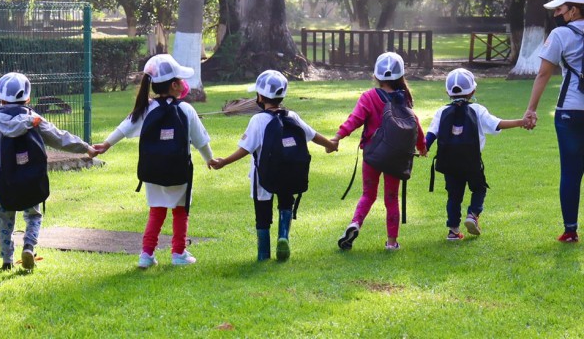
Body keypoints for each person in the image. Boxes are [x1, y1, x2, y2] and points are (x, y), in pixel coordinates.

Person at [93, 54, 213, 268]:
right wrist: (210, 160)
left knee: (156, 212)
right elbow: (201, 140)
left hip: (153, 172)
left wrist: (106, 144)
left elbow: (125, 127)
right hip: (179, 172)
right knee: (180, 212)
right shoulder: (186, 110)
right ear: (176, 86)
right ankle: (178, 253)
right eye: (181, 80)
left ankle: (146, 254)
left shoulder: (146, 108)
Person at [0, 72, 98, 271]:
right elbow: (59, 138)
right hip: (31, 184)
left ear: (1, 99)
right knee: (34, 217)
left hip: (3, 186)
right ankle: (29, 246)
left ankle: (6, 261)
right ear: (28, 99)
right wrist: (85, 147)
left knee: (4, 223)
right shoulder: (35, 121)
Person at [209, 70, 336, 262]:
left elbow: (245, 148)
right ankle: (283, 235)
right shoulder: (292, 116)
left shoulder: (258, 120)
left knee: (262, 213)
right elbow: (313, 135)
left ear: (260, 97)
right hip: (289, 173)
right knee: (286, 203)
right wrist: (331, 145)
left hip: (263, 177)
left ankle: (263, 254)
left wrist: (224, 161)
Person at [333, 52, 427, 251]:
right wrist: (422, 146)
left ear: (376, 76)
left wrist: (338, 136)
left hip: (373, 155)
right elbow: (415, 125)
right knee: (391, 199)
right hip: (396, 158)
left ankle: (355, 223)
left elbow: (355, 120)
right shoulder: (404, 99)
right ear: (401, 76)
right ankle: (392, 243)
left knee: (368, 194)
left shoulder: (369, 97)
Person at [426, 68, 528, 241]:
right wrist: (520, 122)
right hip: (471, 161)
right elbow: (497, 124)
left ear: (447, 92)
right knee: (479, 189)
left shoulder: (441, 112)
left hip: (448, 163)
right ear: (473, 91)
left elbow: (430, 135)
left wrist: (423, 148)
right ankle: (473, 214)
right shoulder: (478, 110)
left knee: (454, 196)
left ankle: (453, 231)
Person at [523, 0, 584, 242]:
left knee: (571, 172)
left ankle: (570, 230)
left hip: (570, 111)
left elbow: (544, 73)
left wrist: (531, 109)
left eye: (561, 9)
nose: (558, 14)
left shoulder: (560, 35)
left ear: (574, 10)